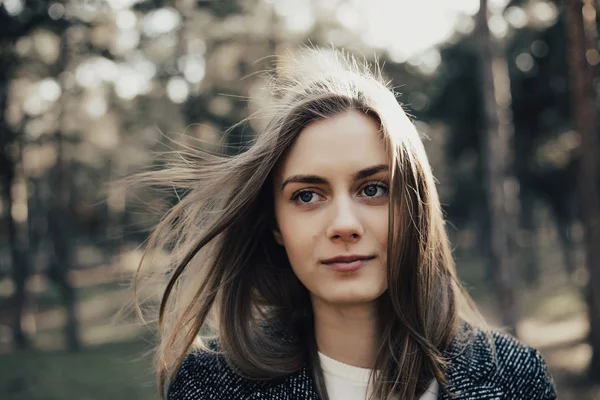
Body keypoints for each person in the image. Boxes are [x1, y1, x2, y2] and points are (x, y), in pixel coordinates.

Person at [133, 48, 557, 400]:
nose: (343, 224)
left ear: (416, 207)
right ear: (276, 225)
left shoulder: (516, 380)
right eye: (307, 195)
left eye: (372, 189)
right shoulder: (209, 387)